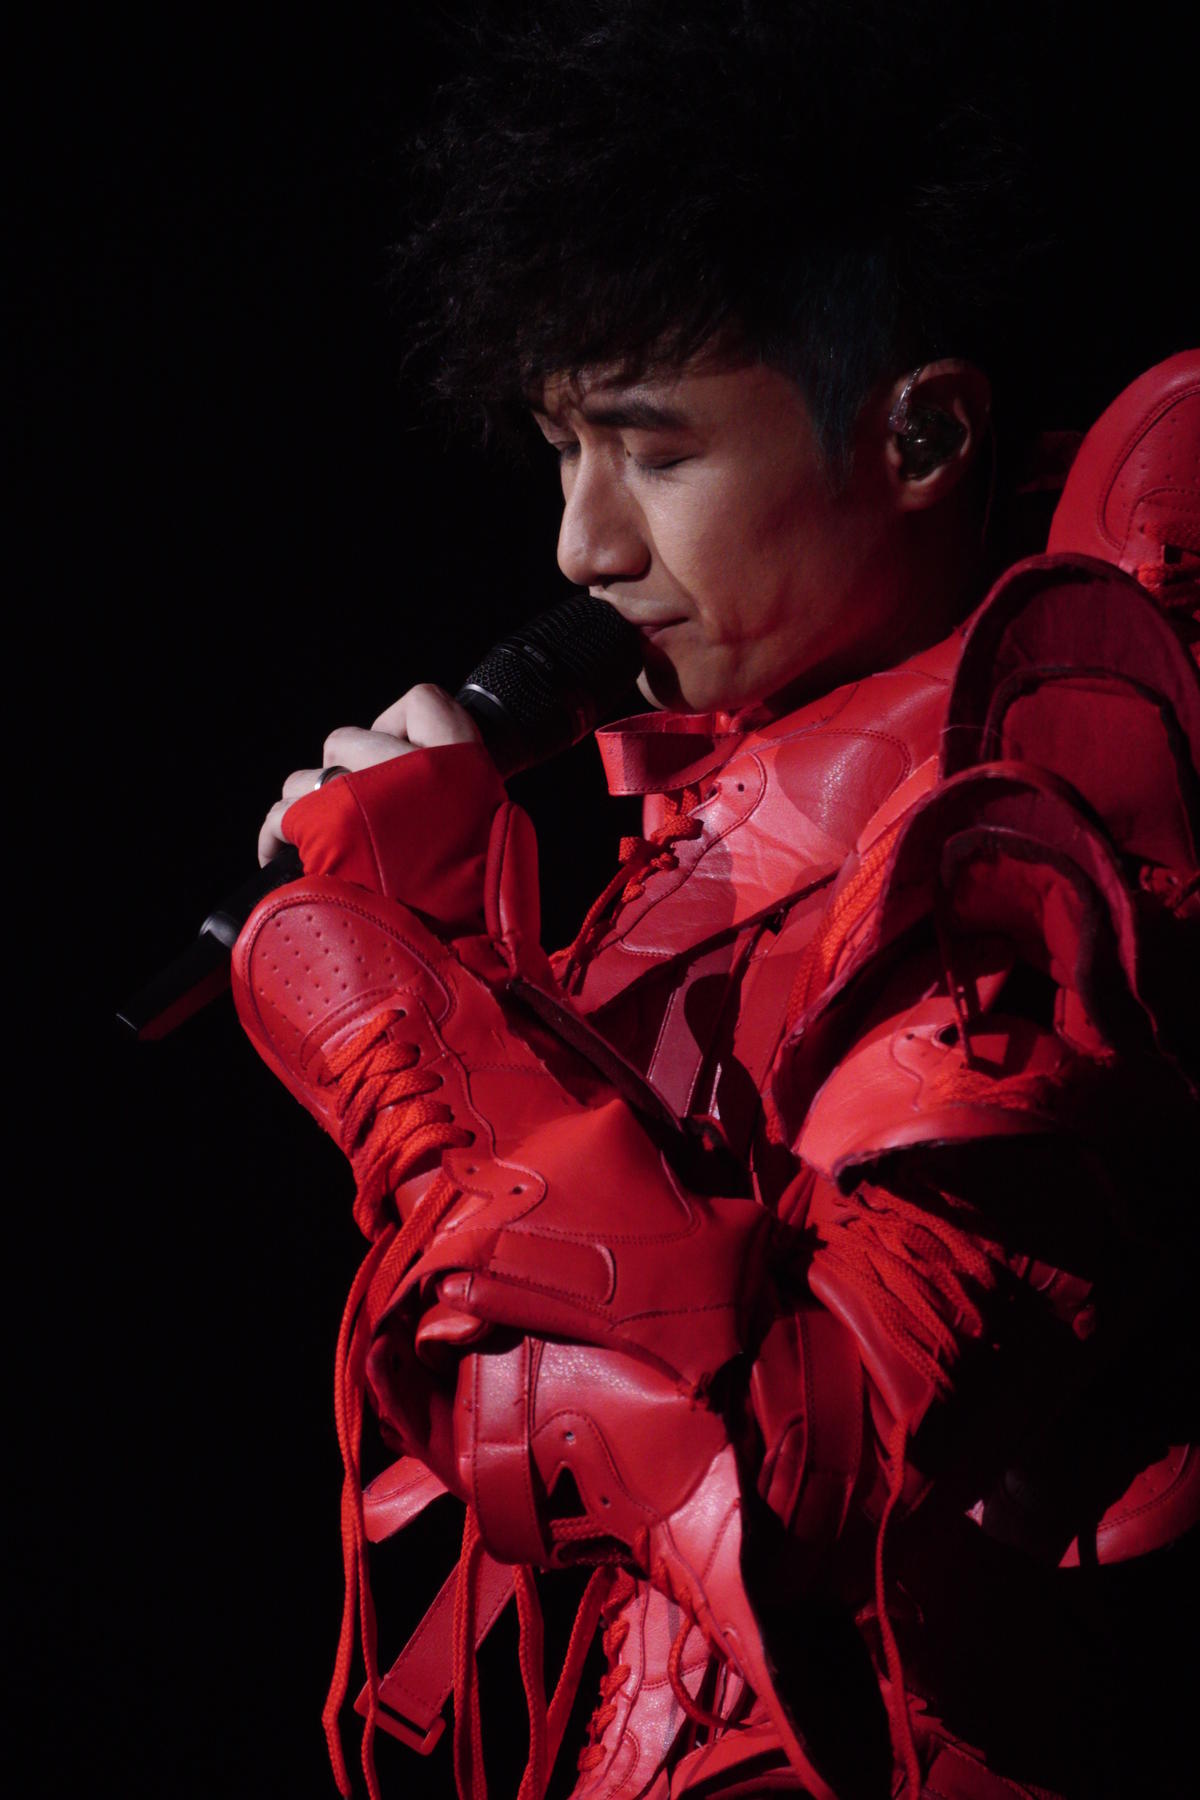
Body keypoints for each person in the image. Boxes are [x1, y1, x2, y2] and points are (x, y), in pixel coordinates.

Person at [232, 6, 1199, 1796]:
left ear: (923, 436)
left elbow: (797, 1475)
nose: (581, 545)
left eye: (653, 453)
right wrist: (466, 953)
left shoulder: (1066, 831)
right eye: (561, 450)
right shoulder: (735, 806)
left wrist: (411, 1030)